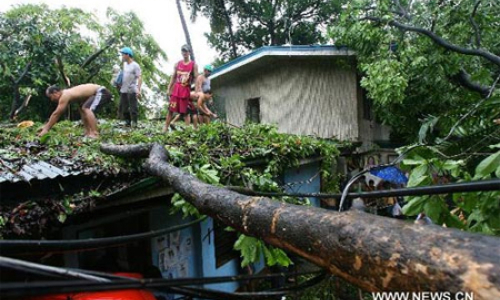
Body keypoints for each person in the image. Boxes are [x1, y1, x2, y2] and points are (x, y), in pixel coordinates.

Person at [39, 84, 113, 138]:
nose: (51, 100)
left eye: (50, 97)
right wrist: (46, 125)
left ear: (55, 92)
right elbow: (82, 112)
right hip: (96, 93)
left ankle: (95, 133)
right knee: (83, 109)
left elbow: (56, 114)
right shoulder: (72, 94)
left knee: (87, 109)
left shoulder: (65, 95)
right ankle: (88, 132)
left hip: (101, 92)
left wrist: (46, 129)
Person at [164, 44, 198, 132]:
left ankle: (187, 130)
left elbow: (196, 79)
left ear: (189, 52)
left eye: (186, 51)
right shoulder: (177, 64)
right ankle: (165, 128)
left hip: (186, 90)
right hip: (176, 90)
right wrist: (169, 88)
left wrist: (197, 91)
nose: (185, 53)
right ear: (181, 52)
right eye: (183, 51)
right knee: (171, 109)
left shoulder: (193, 65)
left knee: (185, 112)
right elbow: (173, 77)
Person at [119, 47, 142, 127]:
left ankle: (134, 123)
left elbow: (139, 77)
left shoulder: (135, 65)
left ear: (128, 55)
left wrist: (138, 90)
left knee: (133, 107)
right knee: (124, 107)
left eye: (123, 55)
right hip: (123, 88)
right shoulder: (124, 64)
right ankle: (127, 122)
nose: (122, 56)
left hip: (132, 89)